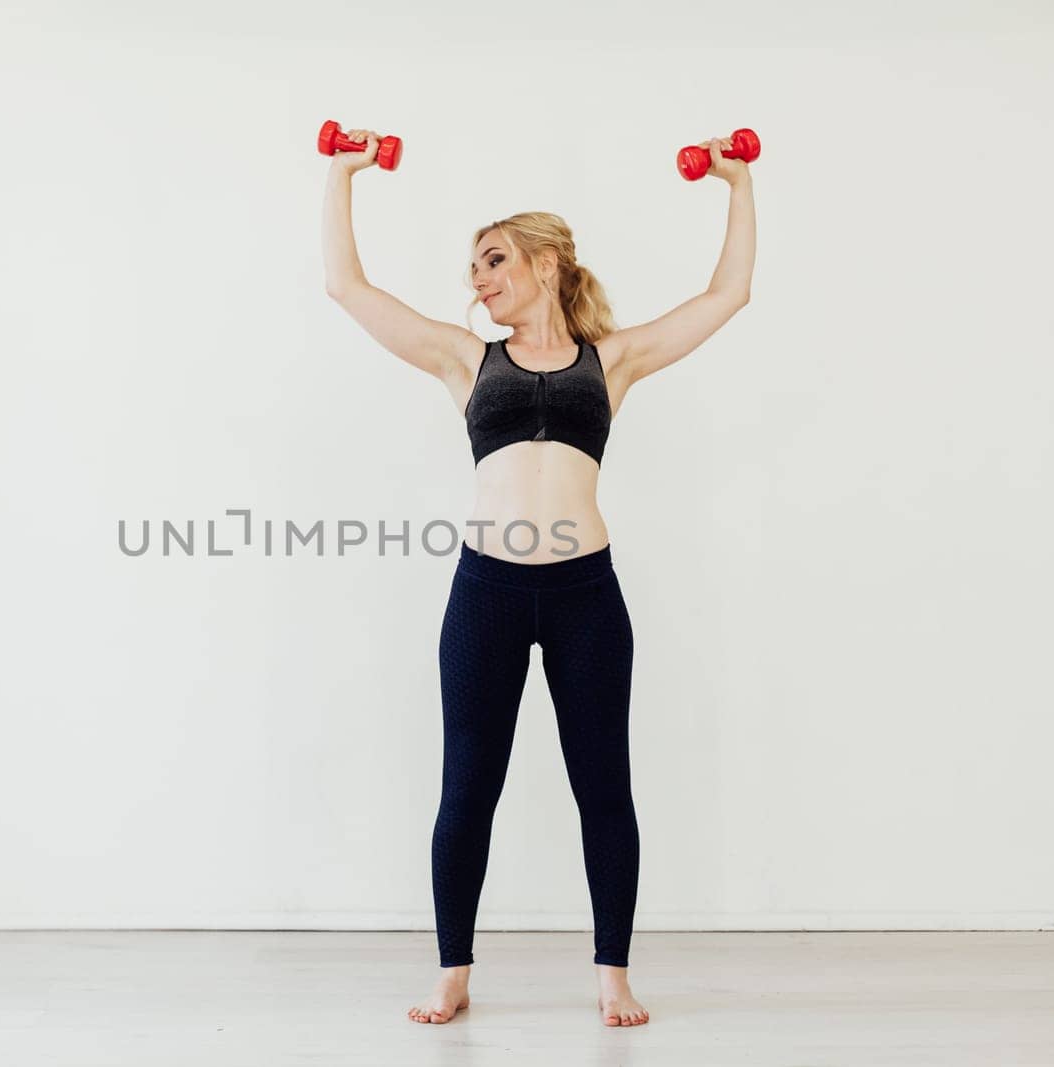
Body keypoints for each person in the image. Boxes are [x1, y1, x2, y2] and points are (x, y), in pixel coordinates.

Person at [321, 128, 756, 1027]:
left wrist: (737, 183)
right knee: (467, 786)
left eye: (493, 260)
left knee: (604, 784)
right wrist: (342, 174)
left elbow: (729, 293)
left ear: (548, 262)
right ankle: (452, 969)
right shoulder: (465, 360)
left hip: (585, 596)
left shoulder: (615, 360)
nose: (477, 280)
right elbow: (346, 287)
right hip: (486, 592)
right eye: (472, 268)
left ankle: (613, 974)